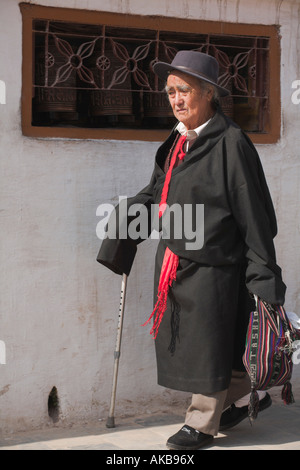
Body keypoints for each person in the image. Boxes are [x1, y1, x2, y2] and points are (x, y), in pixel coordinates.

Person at [97, 51, 286, 450]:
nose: (177, 100)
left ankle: (200, 423)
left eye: (184, 91)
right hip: (175, 261)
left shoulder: (231, 142)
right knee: (195, 344)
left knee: (208, 343)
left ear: (209, 94)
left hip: (215, 264)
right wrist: (130, 214)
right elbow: (157, 191)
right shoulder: (177, 140)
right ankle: (241, 397)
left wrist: (264, 274)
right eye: (170, 92)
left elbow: (254, 214)